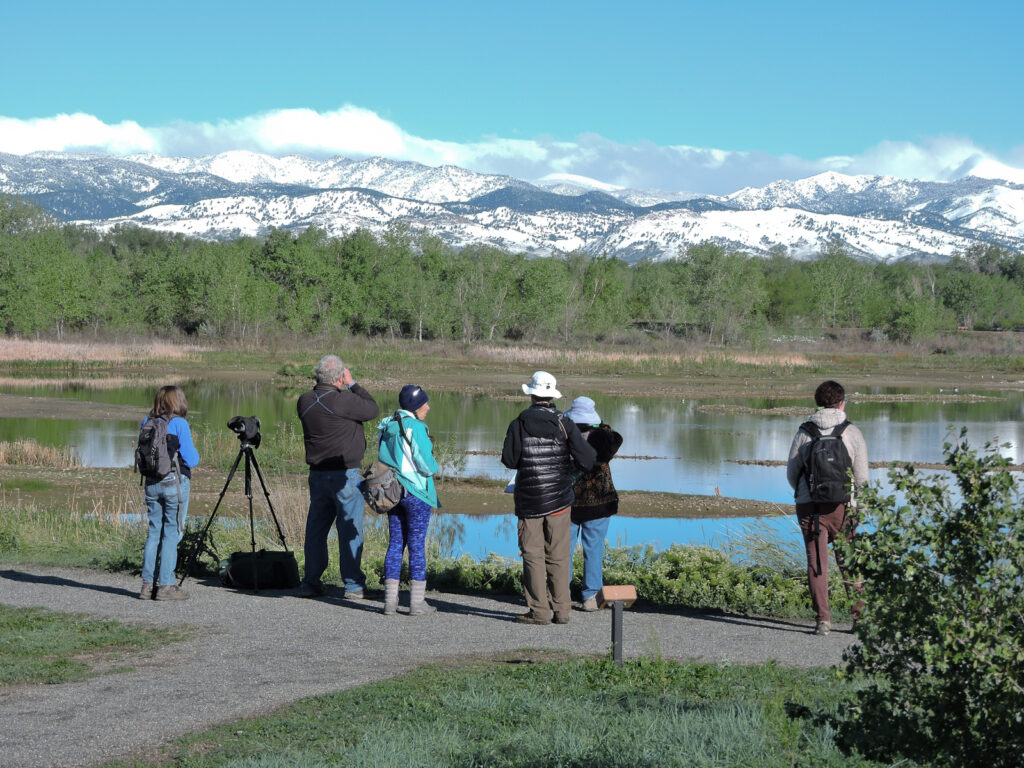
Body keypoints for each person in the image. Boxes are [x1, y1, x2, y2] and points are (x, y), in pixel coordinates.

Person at [501, 371, 596, 625]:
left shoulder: (518, 423)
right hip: (559, 501)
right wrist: (567, 465)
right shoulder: (565, 422)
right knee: (559, 555)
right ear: (551, 395)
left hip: (529, 500)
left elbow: (510, 461)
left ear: (532, 394)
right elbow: (588, 460)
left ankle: (539, 611)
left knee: (532, 555)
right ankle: (562, 610)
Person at [786, 379, 868, 636]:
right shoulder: (851, 432)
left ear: (818, 403)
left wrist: (803, 494)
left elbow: (792, 473)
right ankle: (859, 619)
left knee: (816, 562)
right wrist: (859, 508)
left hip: (810, 507)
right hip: (843, 507)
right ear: (842, 402)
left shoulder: (804, 431)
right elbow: (862, 477)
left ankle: (823, 621)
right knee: (849, 563)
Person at [297, 354, 379, 599]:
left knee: (316, 530)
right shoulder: (344, 401)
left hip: (317, 475)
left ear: (318, 376)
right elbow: (372, 408)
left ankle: (310, 582)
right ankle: (353, 585)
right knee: (349, 529)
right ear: (340, 377)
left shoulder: (304, 401)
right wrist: (353, 384)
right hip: (346, 475)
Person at [377, 385, 440, 616]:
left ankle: (389, 603)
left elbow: (382, 458)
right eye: (425, 404)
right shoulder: (416, 427)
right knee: (416, 545)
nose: (428, 407)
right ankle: (416, 604)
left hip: (392, 492)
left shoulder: (387, 425)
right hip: (416, 493)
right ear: (415, 406)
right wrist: (435, 465)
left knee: (395, 544)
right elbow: (426, 465)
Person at [139, 385, 200, 601]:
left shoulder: (146, 422)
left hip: (151, 483)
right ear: (178, 402)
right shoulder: (180, 423)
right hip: (174, 483)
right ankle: (165, 586)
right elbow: (192, 459)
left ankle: (147, 586)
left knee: (154, 532)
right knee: (171, 533)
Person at [564, 396, 623, 612]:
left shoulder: (565, 435)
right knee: (594, 549)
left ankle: (560, 594)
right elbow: (616, 438)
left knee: (563, 551)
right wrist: (602, 427)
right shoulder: (602, 438)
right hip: (599, 503)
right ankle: (590, 596)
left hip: (567, 502)